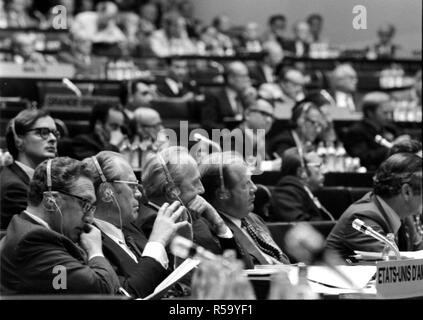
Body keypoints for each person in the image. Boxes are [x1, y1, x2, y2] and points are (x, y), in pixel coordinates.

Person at [0, 157, 120, 294]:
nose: (90, 219)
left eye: (92, 207)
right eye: (85, 204)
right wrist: (95, 252)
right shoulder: (33, 241)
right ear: (51, 201)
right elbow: (100, 290)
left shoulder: (25, 228)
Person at [83, 151, 188, 298]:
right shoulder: (89, 241)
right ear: (107, 191)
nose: (139, 194)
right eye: (132, 185)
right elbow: (127, 294)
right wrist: (157, 242)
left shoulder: (129, 227)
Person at [138, 146, 237, 257]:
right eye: (195, 183)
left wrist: (219, 224)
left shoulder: (197, 215)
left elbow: (243, 264)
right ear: (172, 191)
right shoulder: (152, 224)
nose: (202, 189)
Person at [198, 152, 290, 267]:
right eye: (245, 184)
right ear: (222, 193)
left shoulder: (254, 219)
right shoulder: (210, 230)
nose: (254, 188)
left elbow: (282, 260)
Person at [325, 153, 422, 260]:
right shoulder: (363, 217)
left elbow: (419, 249)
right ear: (407, 192)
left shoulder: (402, 213)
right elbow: (395, 264)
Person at [1, 109, 59, 229]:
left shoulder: (40, 179)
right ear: (19, 140)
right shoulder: (14, 189)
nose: (53, 138)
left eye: (55, 133)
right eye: (43, 132)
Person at [343, 92, 410, 171]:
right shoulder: (356, 131)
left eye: (390, 113)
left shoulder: (390, 128)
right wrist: (394, 146)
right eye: (385, 113)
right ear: (370, 113)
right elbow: (364, 158)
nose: (389, 117)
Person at [270, 147, 334, 222]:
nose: (324, 171)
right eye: (318, 166)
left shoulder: (300, 191)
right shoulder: (286, 193)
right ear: (301, 172)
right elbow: (301, 226)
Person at [231, 99, 281, 172]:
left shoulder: (262, 139)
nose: (269, 120)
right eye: (264, 114)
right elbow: (236, 171)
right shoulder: (233, 137)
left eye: (272, 117)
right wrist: (269, 165)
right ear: (247, 114)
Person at [201, 61, 252, 132]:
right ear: (231, 78)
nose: (247, 79)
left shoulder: (244, 96)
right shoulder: (214, 96)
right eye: (243, 76)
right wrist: (233, 132)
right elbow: (208, 124)